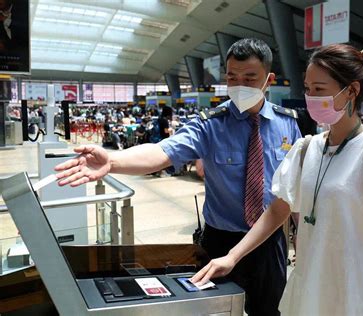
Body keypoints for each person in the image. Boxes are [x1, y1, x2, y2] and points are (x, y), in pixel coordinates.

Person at [54, 38, 301, 316]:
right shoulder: (211, 124)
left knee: (268, 310)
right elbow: (162, 152)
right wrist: (113, 161)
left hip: (267, 243)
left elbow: (293, 190)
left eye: (249, 78)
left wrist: (300, 238)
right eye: (232, 77)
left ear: (269, 79)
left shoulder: (288, 124)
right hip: (220, 242)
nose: (239, 85)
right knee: (215, 310)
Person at [190, 44, 363, 315]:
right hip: (311, 290)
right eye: (307, 89)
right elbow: (277, 211)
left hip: (358, 294)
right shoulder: (305, 150)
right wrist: (232, 256)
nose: (310, 98)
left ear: (351, 91)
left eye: (319, 89)